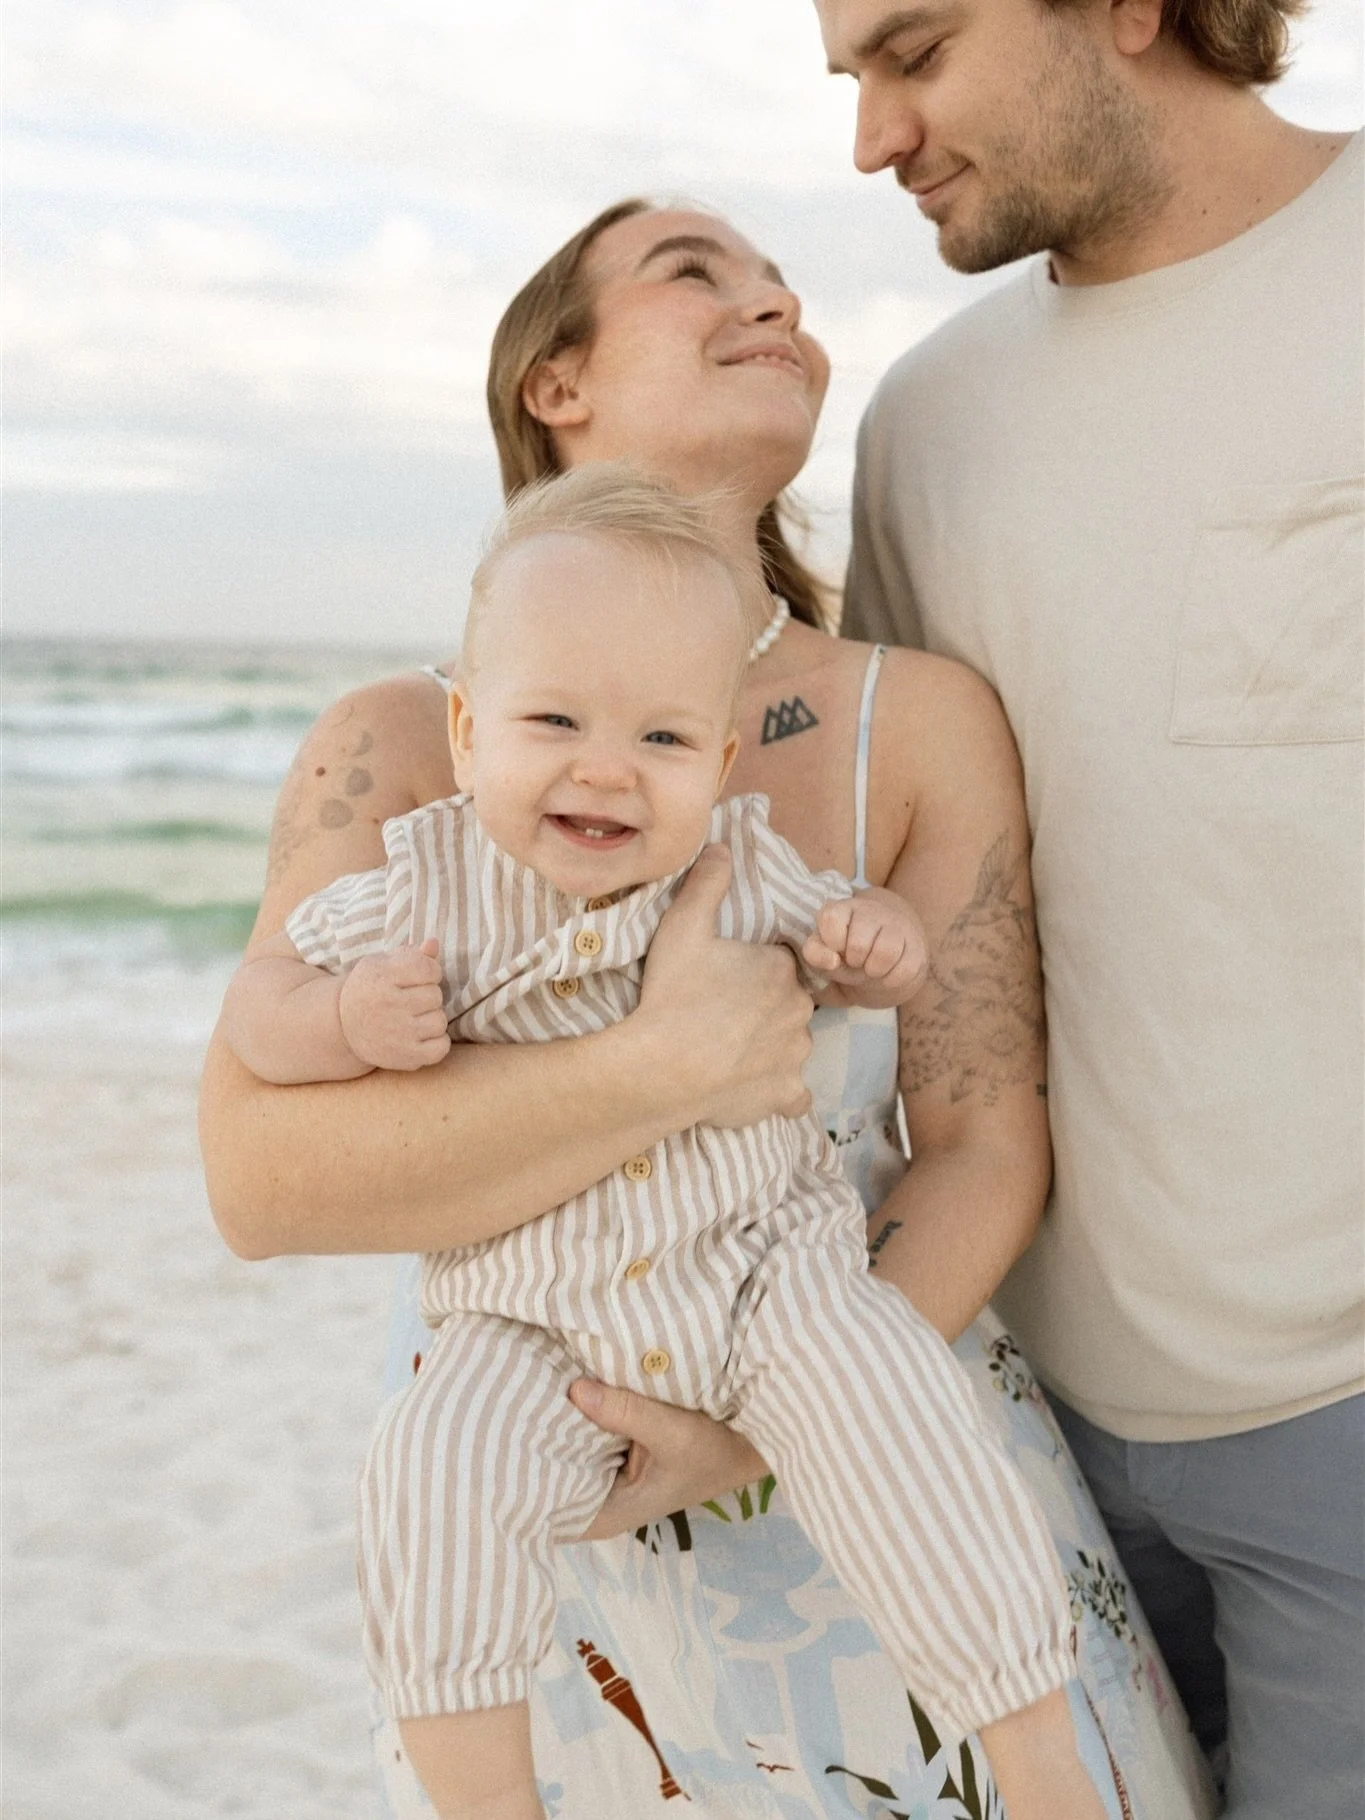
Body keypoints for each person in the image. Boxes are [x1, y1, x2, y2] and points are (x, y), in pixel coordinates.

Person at [199, 198, 1213, 1817]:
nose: (771, 299)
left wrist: (746, 1437)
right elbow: (255, 1184)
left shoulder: (916, 719)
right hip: (539, 1465)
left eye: (783, 285)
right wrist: (659, 1066)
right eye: (695, 274)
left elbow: (979, 1146)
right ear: (557, 381)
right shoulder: (400, 746)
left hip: (864, 1425)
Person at [819, 0, 1364, 1814]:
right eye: (854, 84)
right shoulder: (928, 423)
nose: (875, 139)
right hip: (1024, 1427)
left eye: (915, 52)